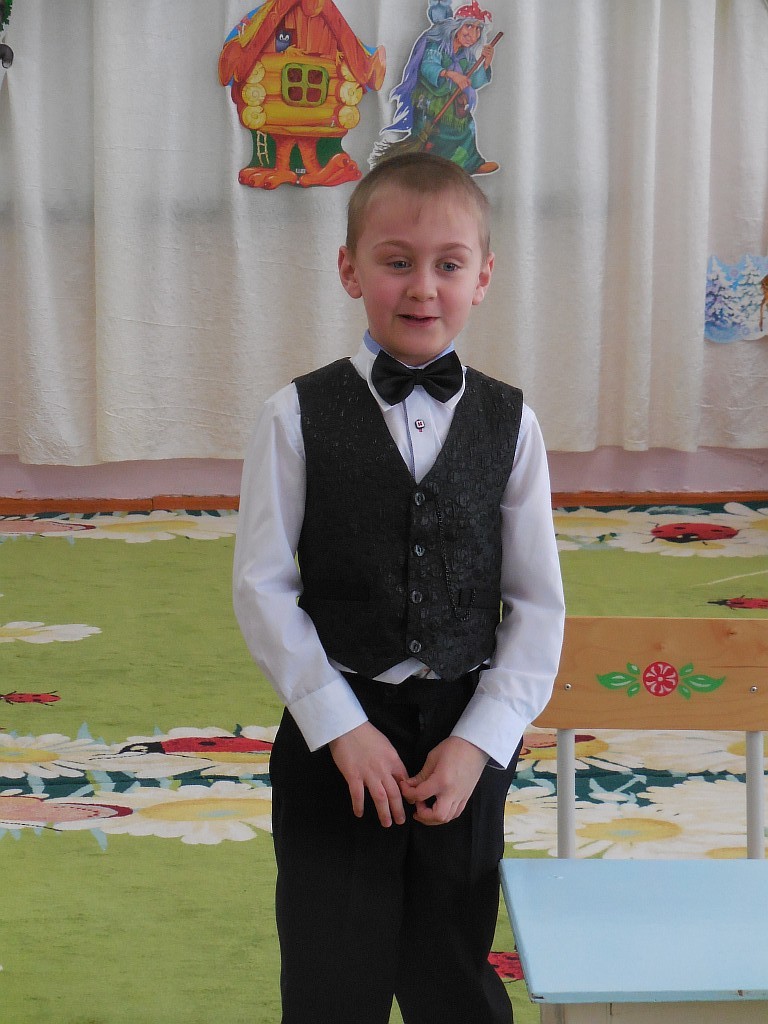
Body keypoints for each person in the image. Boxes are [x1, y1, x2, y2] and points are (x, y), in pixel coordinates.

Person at [233, 151, 565, 1024]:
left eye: (449, 264)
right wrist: (339, 726)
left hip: (464, 732)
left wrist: (479, 743)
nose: (423, 287)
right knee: (329, 975)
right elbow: (263, 586)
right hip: (334, 732)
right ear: (350, 269)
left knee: (453, 967)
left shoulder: (512, 423)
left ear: (482, 278)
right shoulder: (292, 416)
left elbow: (537, 603)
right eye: (396, 261)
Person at [384, 3, 498, 173]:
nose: (473, 34)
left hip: (452, 101)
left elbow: (474, 81)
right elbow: (428, 67)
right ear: (456, 26)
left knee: (466, 127)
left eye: (478, 29)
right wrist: (451, 74)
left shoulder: (466, 54)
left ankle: (470, 164)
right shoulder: (437, 45)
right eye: (468, 26)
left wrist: (486, 63)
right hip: (429, 100)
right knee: (434, 134)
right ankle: (428, 166)